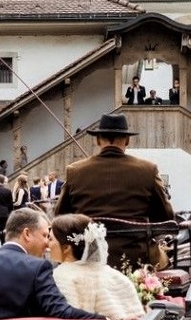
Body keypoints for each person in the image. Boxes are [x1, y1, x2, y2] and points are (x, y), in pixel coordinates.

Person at [54, 112, 176, 271]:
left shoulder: (75, 171)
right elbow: (166, 216)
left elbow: (60, 216)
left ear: (98, 140)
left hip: (86, 258)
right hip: (136, 260)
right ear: (127, 140)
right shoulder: (148, 170)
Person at [49, 214, 144, 320]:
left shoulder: (61, 275)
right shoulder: (115, 275)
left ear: (66, 247)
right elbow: (138, 317)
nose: (47, 244)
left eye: (50, 239)